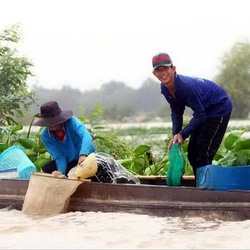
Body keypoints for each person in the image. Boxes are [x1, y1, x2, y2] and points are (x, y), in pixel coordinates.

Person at [152, 52, 233, 178]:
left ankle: (207, 189)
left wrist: (183, 134)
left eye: (166, 68)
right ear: (154, 74)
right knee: (192, 152)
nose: (162, 73)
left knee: (203, 151)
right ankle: (200, 185)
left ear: (173, 69)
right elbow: (177, 111)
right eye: (158, 70)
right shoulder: (164, 88)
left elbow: (200, 115)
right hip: (204, 111)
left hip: (219, 107)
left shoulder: (186, 86)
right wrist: (176, 135)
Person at [33, 101, 96, 177]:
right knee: (47, 168)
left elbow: (86, 136)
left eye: (53, 121)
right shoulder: (45, 136)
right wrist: (61, 173)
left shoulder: (72, 122)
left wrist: (83, 154)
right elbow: (59, 157)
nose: (51, 124)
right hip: (71, 162)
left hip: (87, 157)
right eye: (48, 122)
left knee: (92, 170)